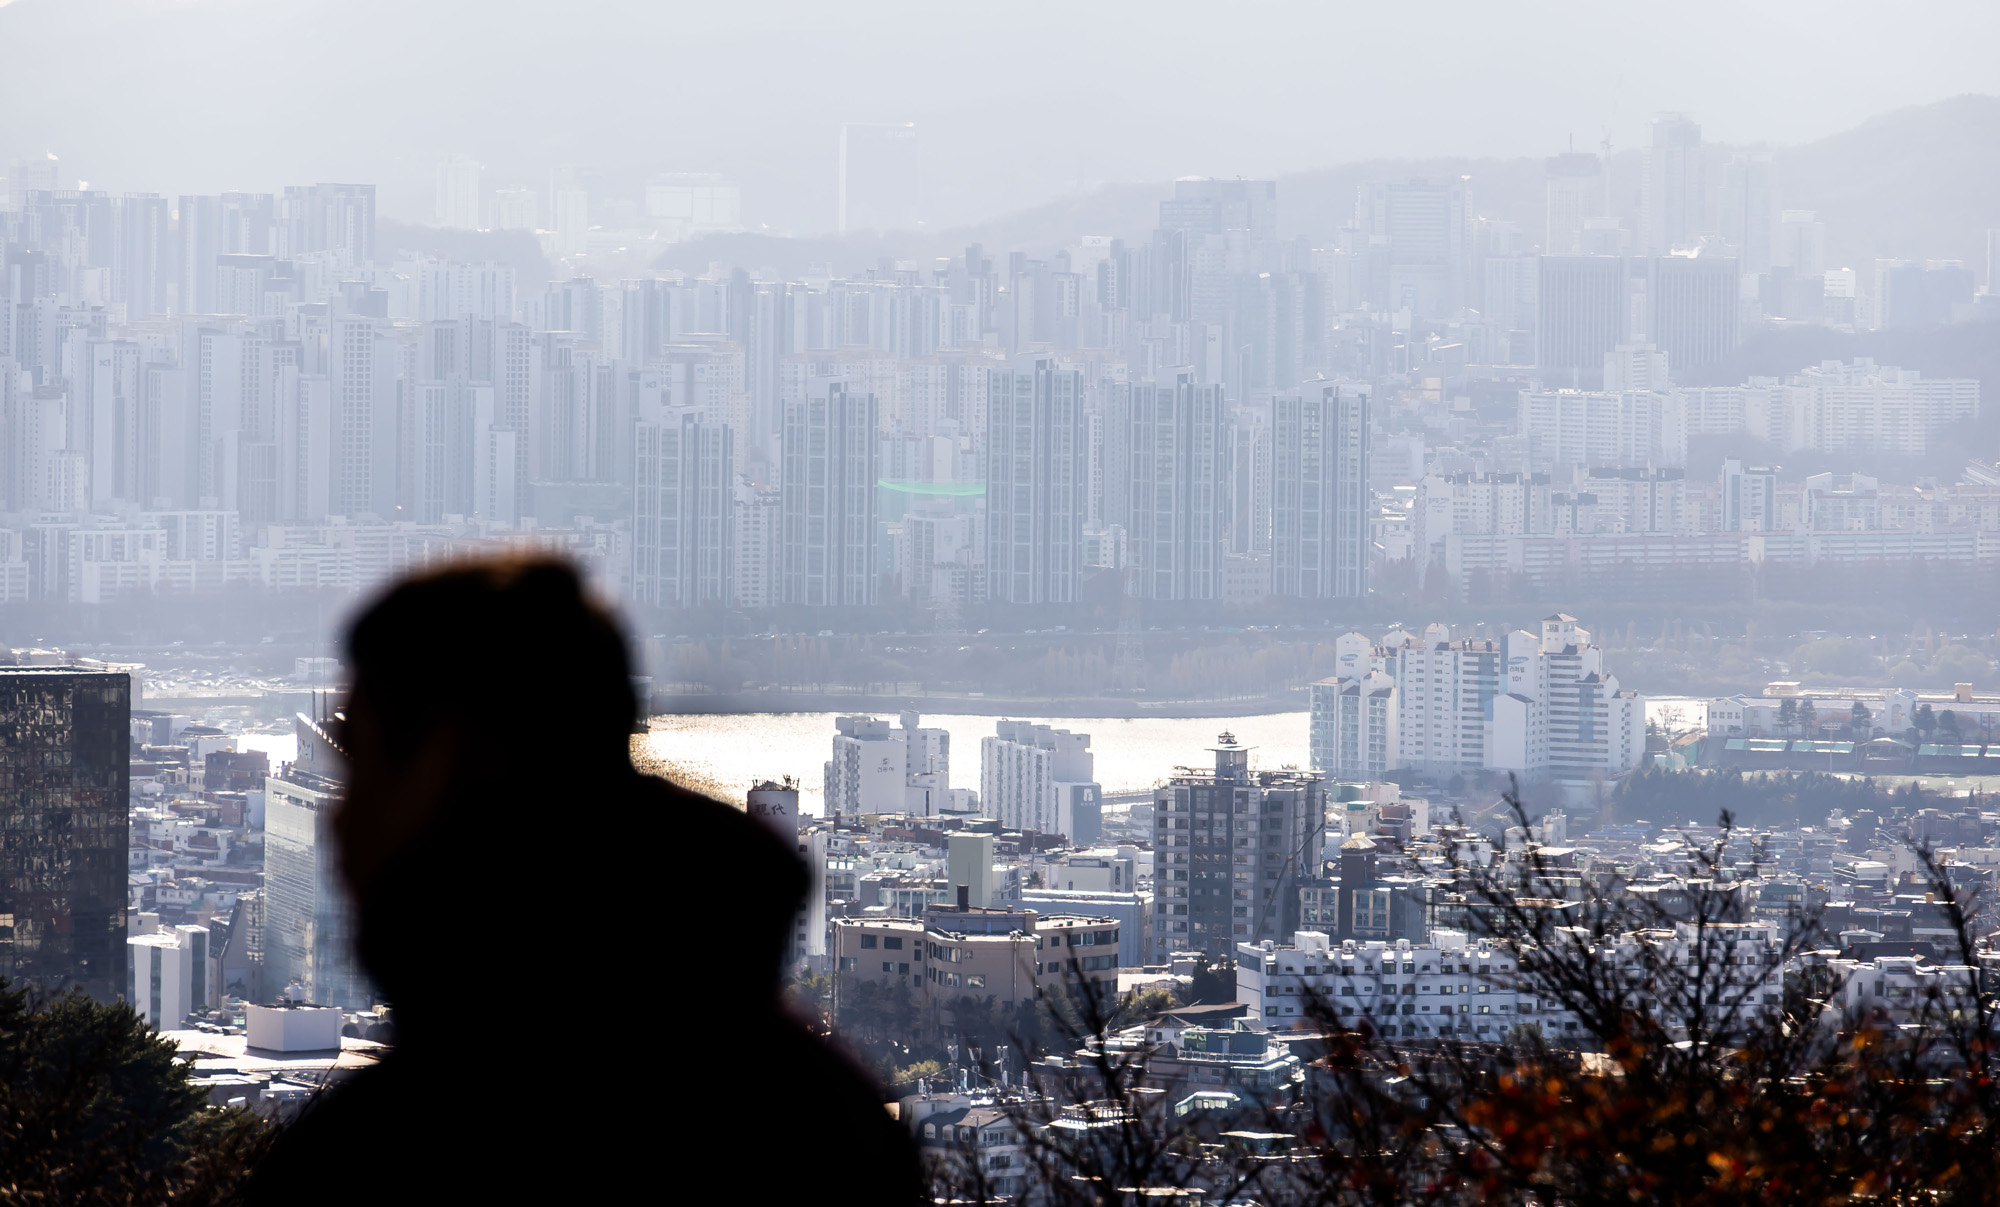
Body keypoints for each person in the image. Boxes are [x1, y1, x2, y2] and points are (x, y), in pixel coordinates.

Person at [246, 556, 920, 1204]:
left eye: (361, 762)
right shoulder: (820, 1114)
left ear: (446, 761)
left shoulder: (395, 1150)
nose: (339, 818)